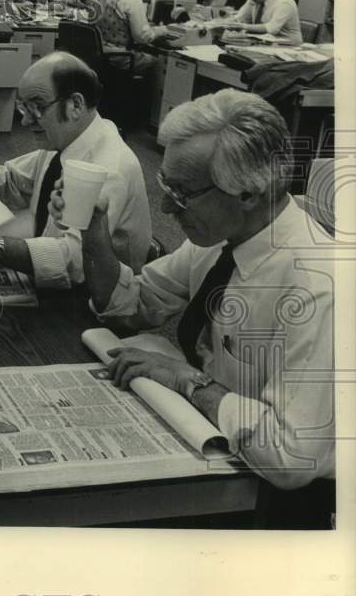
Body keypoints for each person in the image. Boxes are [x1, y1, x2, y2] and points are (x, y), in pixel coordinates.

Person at [54, 90, 334, 519]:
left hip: (283, 500)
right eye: (166, 185)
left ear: (249, 193)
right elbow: (134, 304)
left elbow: (291, 458)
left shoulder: (318, 287)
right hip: (219, 448)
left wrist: (190, 381)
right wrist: (95, 236)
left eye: (182, 194)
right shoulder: (224, 239)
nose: (166, 206)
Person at [0, 52, 150, 290]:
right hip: (57, 278)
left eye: (37, 107)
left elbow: (73, 261)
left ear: (76, 105)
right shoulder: (67, 140)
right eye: (23, 108)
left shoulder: (109, 168)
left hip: (92, 301)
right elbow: (14, 180)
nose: (26, 121)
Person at [96, 0, 178, 74]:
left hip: (98, 53)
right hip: (120, 58)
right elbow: (143, 37)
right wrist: (163, 30)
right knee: (160, 62)